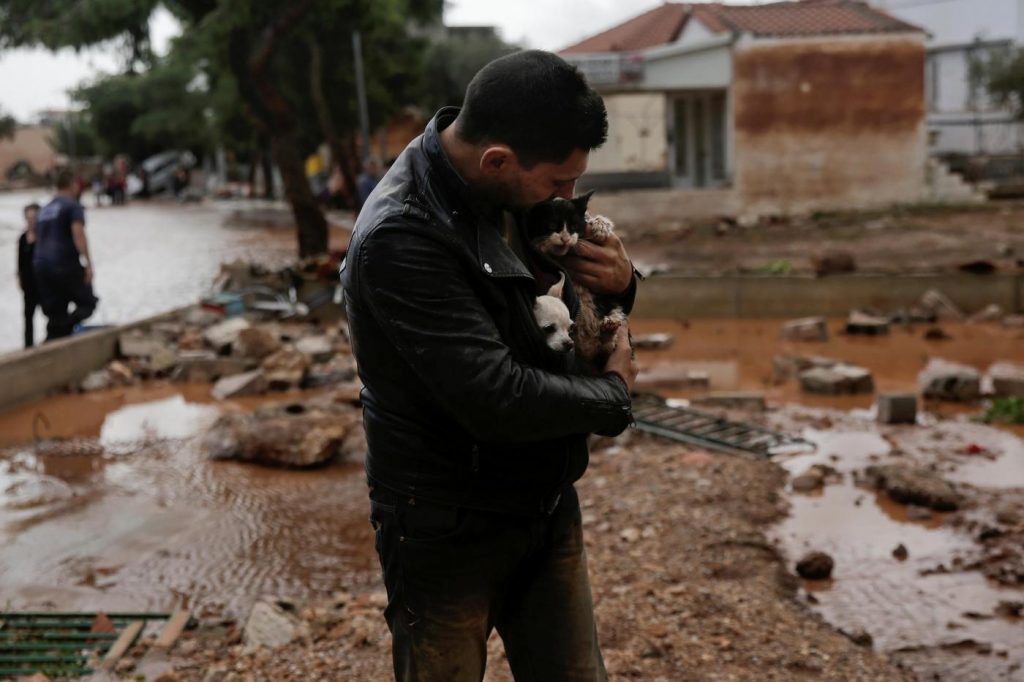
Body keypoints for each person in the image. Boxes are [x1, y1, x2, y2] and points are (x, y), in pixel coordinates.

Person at [340, 50, 640, 681]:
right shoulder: (401, 239)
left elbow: (559, 320)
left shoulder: (505, 184)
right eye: (558, 184)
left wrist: (621, 283)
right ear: (497, 160)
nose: (565, 201)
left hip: (543, 501)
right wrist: (614, 398)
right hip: (443, 524)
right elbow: (495, 395)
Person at [34, 169, 99, 341]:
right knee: (88, 302)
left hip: (41, 266)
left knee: (56, 310)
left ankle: (54, 339)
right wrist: (88, 264)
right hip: (64, 262)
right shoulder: (72, 205)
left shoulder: (44, 209)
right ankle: (65, 328)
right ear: (73, 185)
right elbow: (78, 233)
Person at [16, 203, 40, 347]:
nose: (31, 221)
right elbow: (20, 260)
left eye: (34, 217)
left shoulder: (44, 237)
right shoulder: (22, 238)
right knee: (28, 316)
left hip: (43, 282)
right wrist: (19, 276)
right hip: (28, 283)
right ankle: (28, 345)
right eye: (28, 218)